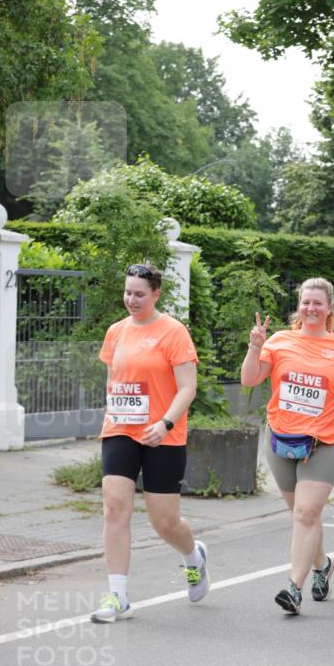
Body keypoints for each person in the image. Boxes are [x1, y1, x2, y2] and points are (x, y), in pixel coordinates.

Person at [91, 263, 208, 622]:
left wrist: (165, 421)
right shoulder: (116, 332)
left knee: (165, 522)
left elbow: (188, 387)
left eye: (139, 294)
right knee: (114, 506)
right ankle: (118, 595)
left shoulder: (173, 332)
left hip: (163, 433)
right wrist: (114, 413)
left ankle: (193, 556)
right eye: (128, 292)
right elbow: (114, 379)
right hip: (121, 429)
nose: (131, 300)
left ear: (155, 294)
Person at [241, 278, 334, 615]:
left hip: (325, 440)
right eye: (305, 302)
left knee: (306, 513)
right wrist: (255, 346)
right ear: (299, 307)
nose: (311, 308)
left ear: (329, 308)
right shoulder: (280, 341)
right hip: (281, 437)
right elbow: (249, 379)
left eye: (317, 303)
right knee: (302, 514)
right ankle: (322, 565)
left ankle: (293, 587)